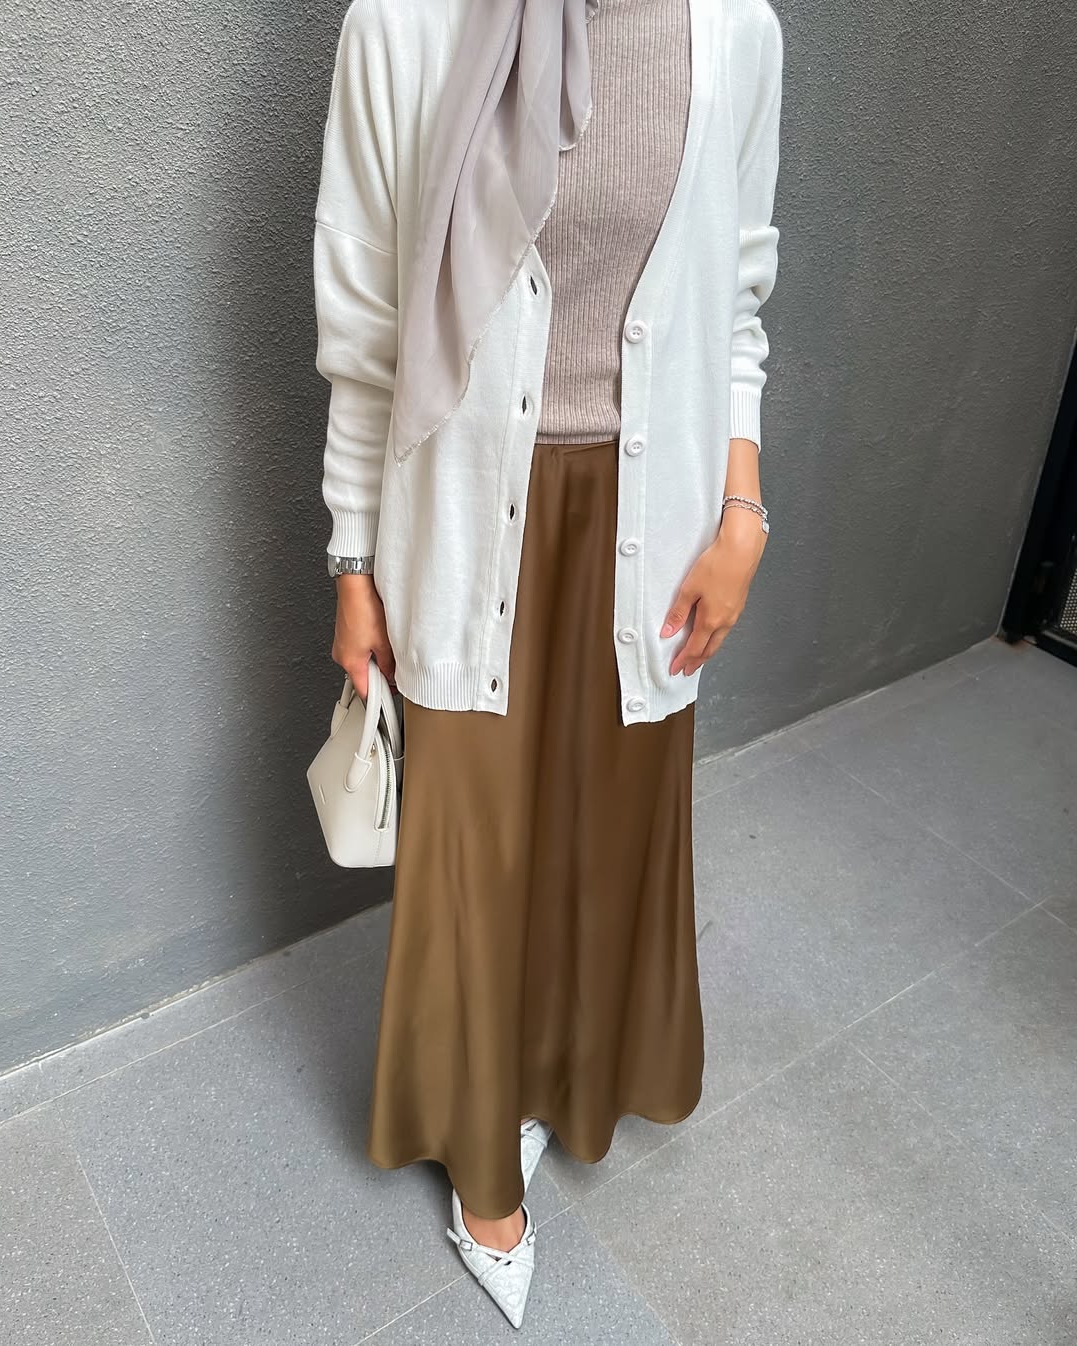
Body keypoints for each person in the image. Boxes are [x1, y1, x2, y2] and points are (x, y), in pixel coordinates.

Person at [313, 0, 783, 1328]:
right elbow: (362, 323)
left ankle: (556, 1079)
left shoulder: (738, 30)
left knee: (598, 833)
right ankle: (481, 1164)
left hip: (654, 525)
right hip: (463, 522)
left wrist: (743, 514)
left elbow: (740, 296)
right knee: (473, 849)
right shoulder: (404, 24)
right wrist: (353, 558)